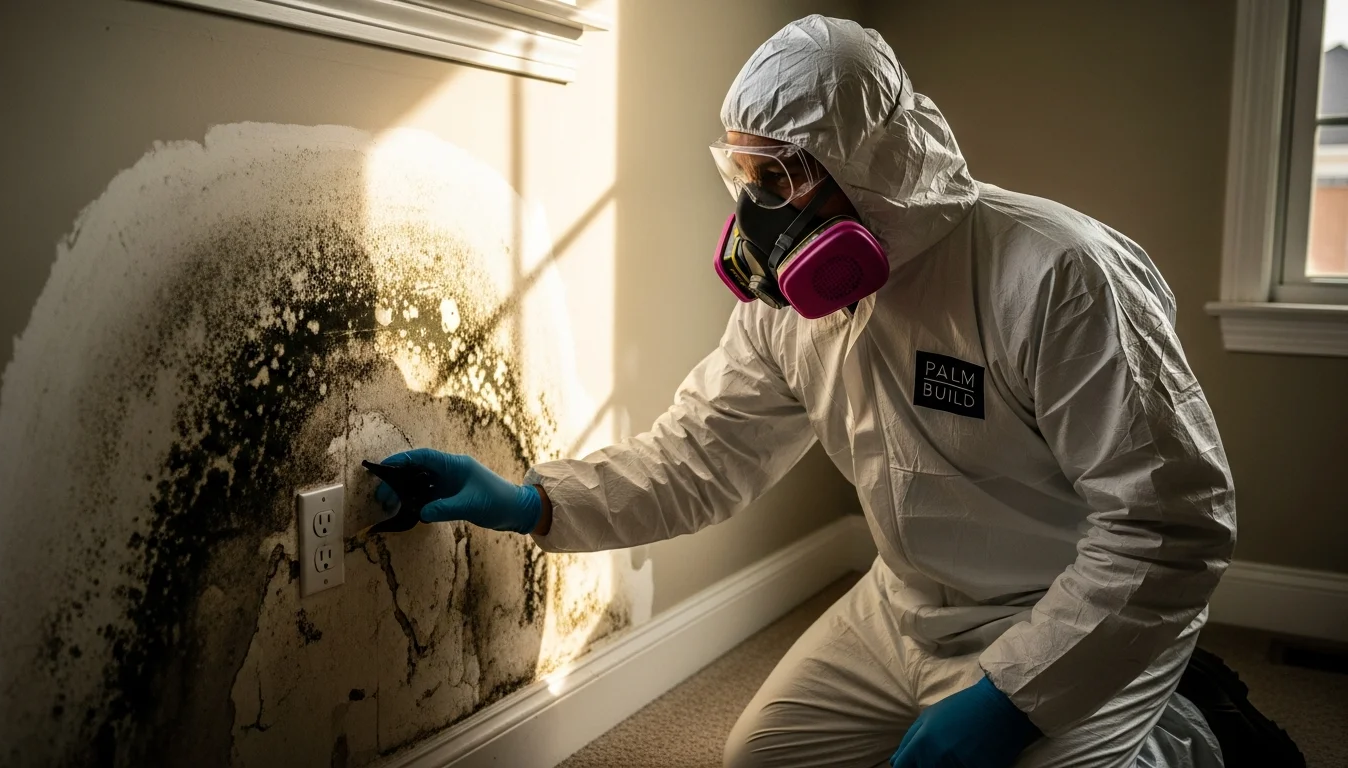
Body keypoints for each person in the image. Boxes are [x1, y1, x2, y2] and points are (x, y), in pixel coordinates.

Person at [371, 16, 1304, 768]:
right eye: (745, 174)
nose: (756, 214)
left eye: (781, 177)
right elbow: (699, 457)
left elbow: (1170, 526)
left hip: (1058, 608)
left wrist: (1011, 702)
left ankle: (1194, 726)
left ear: (873, 163)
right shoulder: (789, 308)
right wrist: (530, 499)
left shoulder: (1055, 274)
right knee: (758, 757)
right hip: (900, 605)